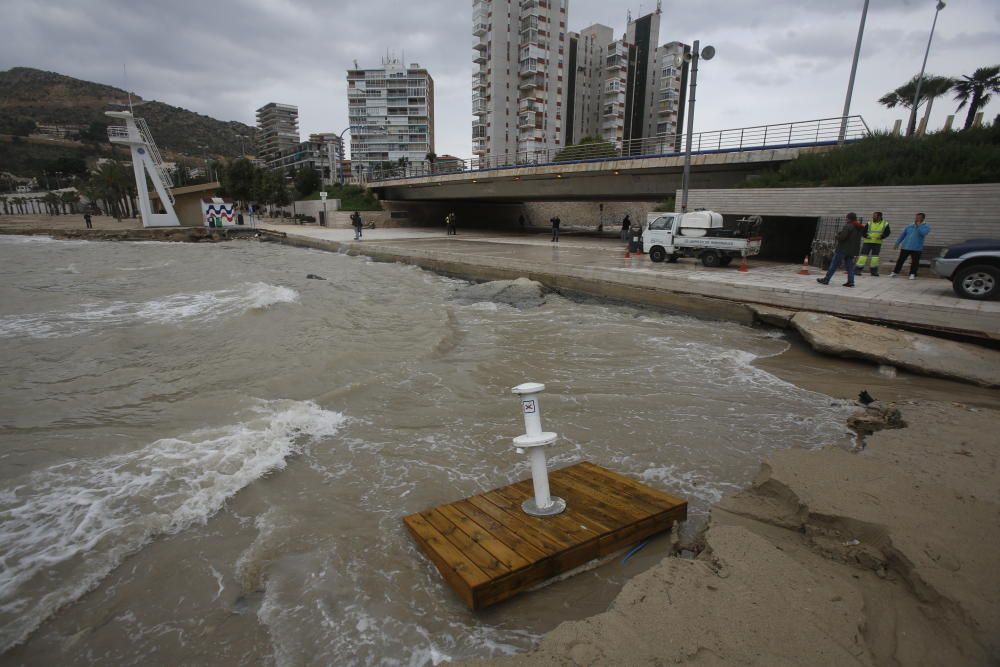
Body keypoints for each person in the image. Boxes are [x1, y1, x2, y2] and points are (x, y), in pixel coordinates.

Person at [817, 212, 865, 288]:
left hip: (843, 249)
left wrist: (837, 235)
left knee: (834, 265)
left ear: (849, 218)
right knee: (850, 267)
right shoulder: (859, 228)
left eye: (847, 218)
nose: (846, 219)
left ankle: (826, 279)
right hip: (851, 251)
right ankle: (851, 282)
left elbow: (842, 237)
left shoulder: (849, 226)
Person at [890, 213, 931, 280]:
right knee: (900, 260)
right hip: (906, 246)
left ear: (923, 218)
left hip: (916, 248)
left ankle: (912, 274)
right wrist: (897, 243)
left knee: (915, 262)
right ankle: (895, 272)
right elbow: (903, 235)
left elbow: (923, 233)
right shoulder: (910, 225)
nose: (916, 218)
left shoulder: (926, 226)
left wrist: (918, 226)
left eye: (918, 217)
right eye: (916, 217)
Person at [854, 211, 890, 276]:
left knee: (875, 258)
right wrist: (865, 236)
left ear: (879, 217)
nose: (873, 217)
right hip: (867, 242)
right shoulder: (869, 223)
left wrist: (882, 236)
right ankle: (857, 270)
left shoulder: (885, 223)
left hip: (877, 243)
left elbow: (887, 232)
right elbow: (863, 231)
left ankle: (874, 272)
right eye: (873, 215)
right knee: (863, 257)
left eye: (875, 216)